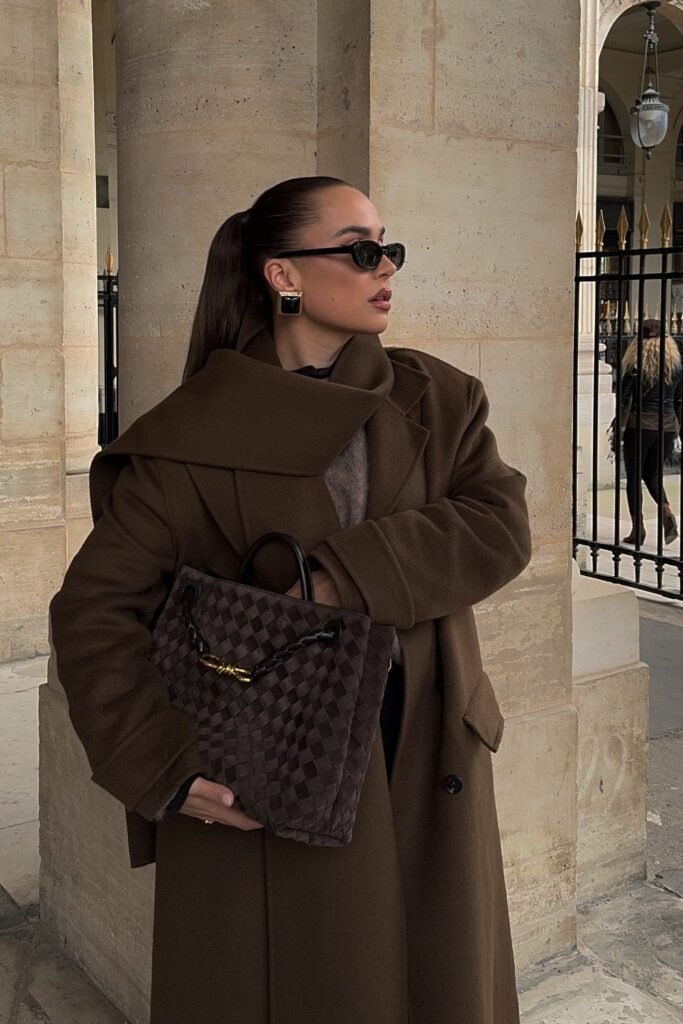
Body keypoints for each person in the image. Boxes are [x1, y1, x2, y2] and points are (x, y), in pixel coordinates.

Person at [48, 176, 532, 1024]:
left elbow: (499, 522)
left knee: (438, 983)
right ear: (283, 277)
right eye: (359, 250)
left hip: (424, 761)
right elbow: (94, 610)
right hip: (271, 779)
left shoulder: (438, 397)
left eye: (389, 247)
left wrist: (344, 577)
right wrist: (161, 764)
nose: (386, 267)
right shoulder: (191, 439)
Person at [615, 319, 682, 546]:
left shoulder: (636, 367)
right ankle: (665, 511)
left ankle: (638, 529)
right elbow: (679, 401)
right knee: (653, 474)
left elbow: (623, 397)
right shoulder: (675, 367)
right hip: (667, 427)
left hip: (640, 426)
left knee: (634, 477)